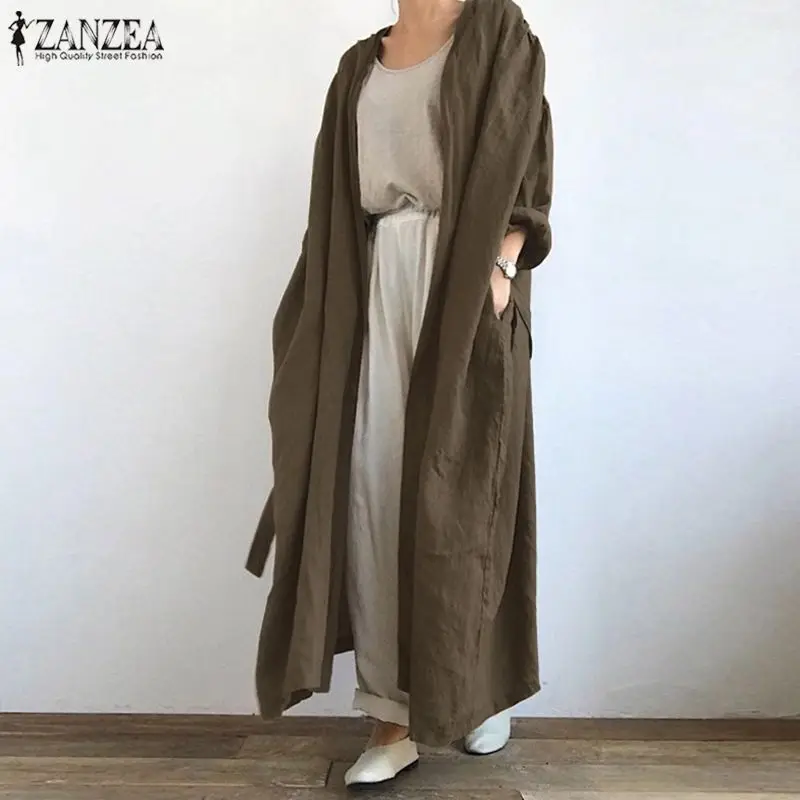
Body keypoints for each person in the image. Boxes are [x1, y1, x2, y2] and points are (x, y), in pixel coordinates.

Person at [246, 0, 553, 787]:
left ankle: (473, 692)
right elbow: (334, 204)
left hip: (464, 280)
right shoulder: (359, 66)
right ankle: (392, 715)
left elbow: (528, 166)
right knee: (376, 494)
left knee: (466, 496)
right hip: (378, 279)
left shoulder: (500, 35)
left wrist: (499, 271)